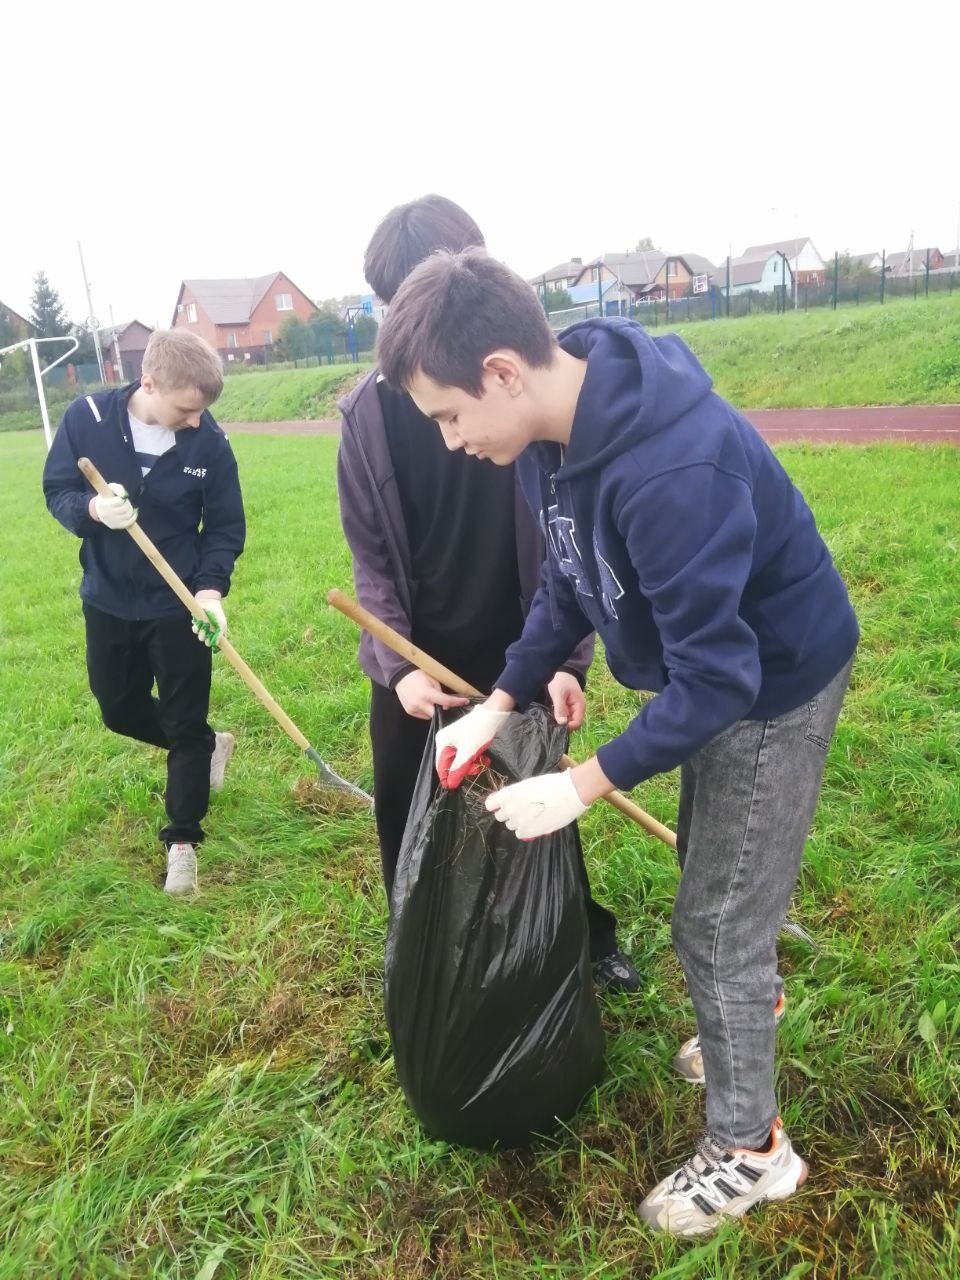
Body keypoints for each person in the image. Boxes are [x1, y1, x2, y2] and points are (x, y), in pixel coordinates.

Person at [374, 247, 860, 1236]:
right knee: (717, 881)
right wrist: (498, 701)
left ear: (503, 371)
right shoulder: (550, 438)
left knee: (714, 920)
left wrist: (583, 782)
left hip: (774, 681)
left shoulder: (671, 469)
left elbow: (719, 681)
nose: (449, 438)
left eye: (449, 415)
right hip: (721, 678)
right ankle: (747, 1010)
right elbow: (564, 583)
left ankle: (752, 1148)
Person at [336, 195, 638, 992]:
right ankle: (424, 955)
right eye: (396, 302)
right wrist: (398, 667)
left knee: (539, 802)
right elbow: (370, 556)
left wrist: (565, 660)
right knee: (407, 811)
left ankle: (577, 935)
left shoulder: (522, 395)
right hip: (417, 662)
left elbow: (568, 551)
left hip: (521, 644)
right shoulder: (369, 418)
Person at [42, 329, 245, 896]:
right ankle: (210, 745)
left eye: (204, 411)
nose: (196, 421)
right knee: (118, 707)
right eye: (186, 409)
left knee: (183, 723)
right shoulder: (87, 418)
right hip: (107, 598)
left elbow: (224, 526)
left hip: (179, 604)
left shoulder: (210, 443)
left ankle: (182, 840)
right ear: (149, 383)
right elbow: (57, 489)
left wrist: (209, 592)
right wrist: (90, 509)